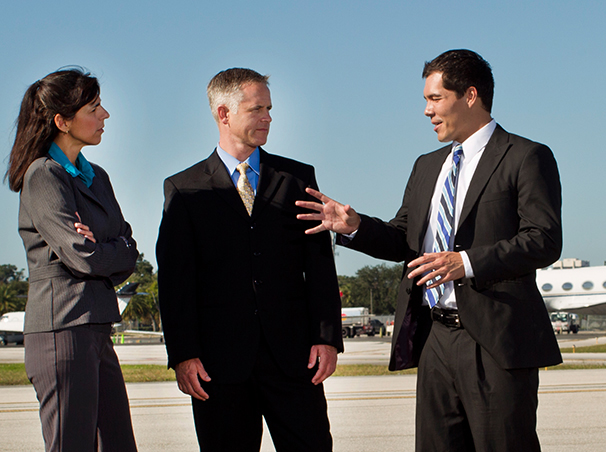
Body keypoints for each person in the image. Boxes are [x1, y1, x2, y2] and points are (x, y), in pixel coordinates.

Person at [296, 49, 562, 451]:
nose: (426, 110)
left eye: (435, 98)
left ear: (470, 95)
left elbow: (543, 238)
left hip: (495, 339)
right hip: (435, 337)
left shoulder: (526, 157)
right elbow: (404, 240)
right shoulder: (426, 166)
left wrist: (466, 263)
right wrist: (355, 227)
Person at [156, 68, 343, 451]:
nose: (268, 118)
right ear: (224, 114)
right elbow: (175, 281)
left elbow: (320, 265)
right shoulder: (184, 188)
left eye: (269, 109)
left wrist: (327, 338)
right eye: (257, 109)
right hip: (218, 365)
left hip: (294, 360)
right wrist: (183, 354)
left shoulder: (297, 178)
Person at [5, 68, 139, 452]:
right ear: (62, 121)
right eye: (94, 107)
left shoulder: (97, 177)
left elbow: (130, 250)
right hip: (60, 330)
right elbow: (83, 258)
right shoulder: (42, 176)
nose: (105, 116)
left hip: (97, 327)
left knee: (118, 445)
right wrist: (107, 250)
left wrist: (109, 249)